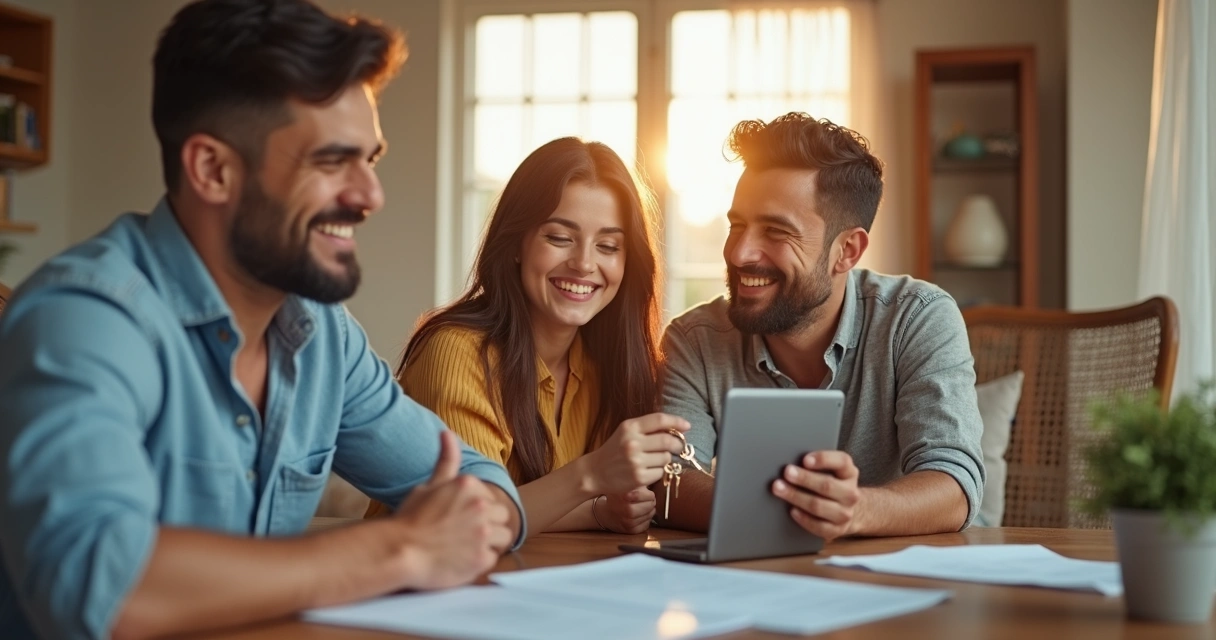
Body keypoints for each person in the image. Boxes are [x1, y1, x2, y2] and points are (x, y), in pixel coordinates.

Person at [0, 1, 524, 638]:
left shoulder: (324, 335)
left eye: (372, 160)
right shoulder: (83, 319)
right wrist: (403, 548)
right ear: (213, 170)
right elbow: (97, 584)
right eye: (332, 162)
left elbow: (478, 476)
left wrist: (472, 518)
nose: (369, 196)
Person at [658, 113, 985, 541]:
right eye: (737, 225)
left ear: (847, 250)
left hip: (898, 583)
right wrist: (791, 510)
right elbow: (670, 480)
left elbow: (954, 483)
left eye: (776, 231)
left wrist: (856, 511)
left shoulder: (917, 317)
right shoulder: (694, 340)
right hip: (754, 582)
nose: (739, 252)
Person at [366, 137, 688, 535]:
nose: (584, 263)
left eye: (608, 245)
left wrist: (601, 511)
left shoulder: (609, 364)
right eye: (559, 237)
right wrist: (591, 480)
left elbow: (527, 507)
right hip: (417, 588)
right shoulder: (455, 352)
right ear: (517, 242)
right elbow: (474, 520)